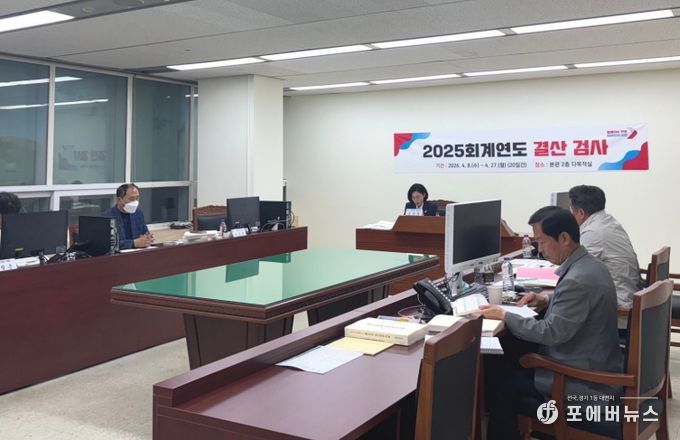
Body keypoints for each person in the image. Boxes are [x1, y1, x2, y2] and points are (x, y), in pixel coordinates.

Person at [479, 207, 623, 440]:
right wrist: (546, 299)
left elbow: (550, 333)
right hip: (595, 362)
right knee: (508, 354)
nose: (539, 249)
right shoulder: (590, 265)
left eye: (541, 242)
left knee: (499, 379)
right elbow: (575, 306)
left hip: (583, 382)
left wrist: (504, 315)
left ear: (564, 238)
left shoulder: (578, 280)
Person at [568, 185, 642, 311]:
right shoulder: (608, 222)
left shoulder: (593, 232)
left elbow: (574, 272)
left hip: (618, 306)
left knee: (561, 304)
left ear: (581, 213)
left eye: (571, 211)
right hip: (626, 294)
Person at [104, 183, 152, 249]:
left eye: (137, 198)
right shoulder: (108, 216)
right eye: (131, 199)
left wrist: (148, 239)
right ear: (119, 200)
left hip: (138, 252)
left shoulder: (139, 213)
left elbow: (145, 233)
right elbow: (109, 244)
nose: (135, 202)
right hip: (120, 254)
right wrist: (133, 243)